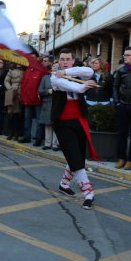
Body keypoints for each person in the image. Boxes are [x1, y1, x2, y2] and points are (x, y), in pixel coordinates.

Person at [51, 48, 101, 209]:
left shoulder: (75, 72)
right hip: (62, 122)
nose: (64, 62)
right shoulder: (55, 78)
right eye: (61, 59)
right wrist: (85, 85)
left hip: (79, 120)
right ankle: (88, 192)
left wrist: (66, 71)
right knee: (74, 156)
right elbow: (77, 89)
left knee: (77, 155)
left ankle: (64, 184)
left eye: (67, 59)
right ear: (58, 61)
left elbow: (89, 70)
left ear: (73, 61)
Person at [19, 60, 47, 144]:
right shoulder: (27, 70)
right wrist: (23, 97)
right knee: (27, 119)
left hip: (37, 100)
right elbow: (24, 84)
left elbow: (42, 85)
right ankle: (27, 137)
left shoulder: (41, 71)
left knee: (39, 120)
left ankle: (38, 139)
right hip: (27, 100)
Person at [38, 60, 59, 150]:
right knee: (47, 124)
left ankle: (55, 144)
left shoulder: (63, 78)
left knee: (56, 124)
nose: (56, 68)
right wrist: (48, 91)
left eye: (58, 67)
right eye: (54, 66)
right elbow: (40, 90)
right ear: (51, 68)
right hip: (47, 103)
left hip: (57, 103)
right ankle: (47, 143)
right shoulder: (45, 78)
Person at [4, 63, 24, 140]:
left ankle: (17, 133)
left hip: (21, 94)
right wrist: (10, 89)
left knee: (18, 115)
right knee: (11, 115)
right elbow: (6, 81)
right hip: (12, 94)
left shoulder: (24, 71)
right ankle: (11, 133)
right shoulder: (11, 71)